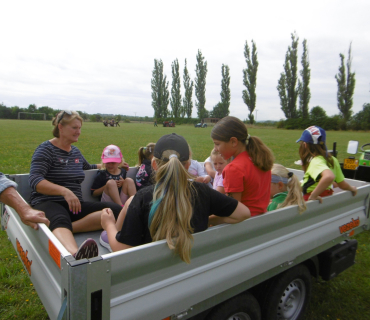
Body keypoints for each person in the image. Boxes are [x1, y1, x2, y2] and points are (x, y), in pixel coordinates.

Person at [100, 133, 251, 263]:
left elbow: (123, 251)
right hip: (193, 267)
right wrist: (209, 219)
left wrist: (108, 225)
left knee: (128, 205)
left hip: (152, 277)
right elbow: (243, 213)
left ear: (154, 164)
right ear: (187, 165)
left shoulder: (142, 198)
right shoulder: (203, 192)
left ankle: (109, 235)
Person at [28, 110, 122, 260]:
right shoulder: (46, 149)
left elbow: (89, 167)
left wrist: (115, 165)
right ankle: (75, 254)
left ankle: (66, 229)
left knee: (115, 210)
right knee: (60, 218)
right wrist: (64, 191)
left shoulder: (75, 152)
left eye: (79, 128)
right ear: (60, 127)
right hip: (48, 202)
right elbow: (35, 180)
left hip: (75, 205)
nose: (78, 132)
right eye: (74, 128)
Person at [211, 116, 274, 216]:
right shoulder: (259, 159)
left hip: (245, 226)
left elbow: (233, 212)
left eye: (217, 144)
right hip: (261, 219)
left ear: (233, 142)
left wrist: (209, 219)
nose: (215, 149)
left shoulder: (233, 169)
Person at [297, 126, 357, 202]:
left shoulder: (315, 161)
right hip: (327, 198)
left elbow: (329, 176)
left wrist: (313, 196)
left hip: (310, 199)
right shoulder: (333, 160)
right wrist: (352, 188)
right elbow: (342, 184)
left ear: (305, 145)